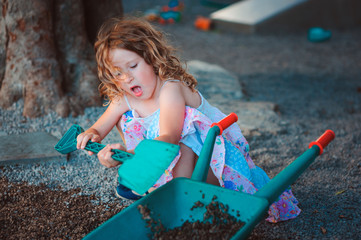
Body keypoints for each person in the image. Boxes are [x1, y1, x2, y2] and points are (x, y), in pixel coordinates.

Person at [76, 17, 300, 222]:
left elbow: (169, 138)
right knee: (125, 118)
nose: (126, 78)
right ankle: (166, 189)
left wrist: (134, 155)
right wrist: (92, 137)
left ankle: (181, 201)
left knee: (182, 144)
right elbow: (99, 127)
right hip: (170, 160)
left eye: (133, 66)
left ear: (152, 59)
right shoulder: (125, 96)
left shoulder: (170, 89)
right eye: (117, 74)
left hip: (215, 161)